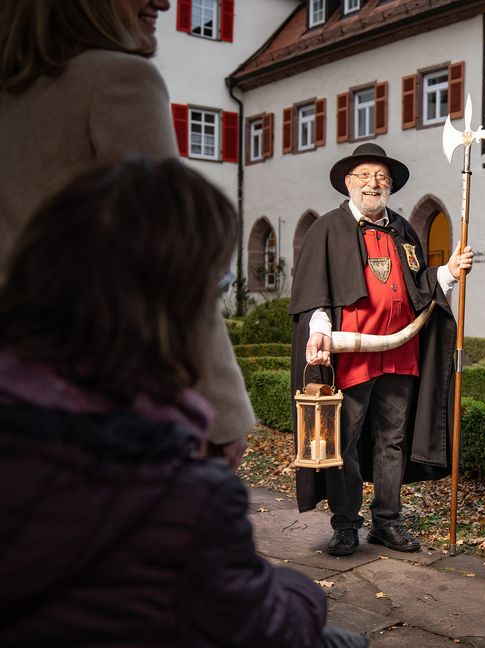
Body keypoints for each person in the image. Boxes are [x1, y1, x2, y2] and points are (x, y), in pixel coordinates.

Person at [0, 158, 338, 646]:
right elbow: (270, 626)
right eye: (217, 287)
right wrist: (304, 590)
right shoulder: (181, 496)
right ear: (181, 309)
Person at [0, 0, 254, 466]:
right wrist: (223, 417)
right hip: (86, 408)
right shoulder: (116, 79)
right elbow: (177, 264)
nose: (164, 2)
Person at [290, 143, 473, 556]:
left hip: (400, 352)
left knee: (392, 440)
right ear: (348, 183)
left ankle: (386, 522)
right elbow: (314, 289)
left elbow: (417, 286)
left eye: (381, 178)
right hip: (351, 356)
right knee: (346, 442)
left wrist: (448, 271)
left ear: (389, 186)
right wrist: (319, 327)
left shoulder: (403, 230)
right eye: (365, 177)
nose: (374, 184)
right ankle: (345, 523)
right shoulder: (327, 228)